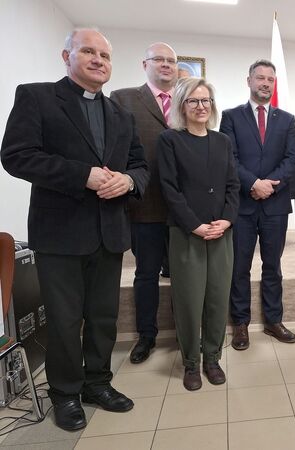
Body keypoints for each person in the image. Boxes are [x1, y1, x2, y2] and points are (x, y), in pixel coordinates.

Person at [0, 29, 148, 431]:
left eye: (105, 55)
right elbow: (16, 156)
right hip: (60, 233)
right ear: (67, 56)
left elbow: (140, 166)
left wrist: (129, 181)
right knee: (64, 321)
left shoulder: (120, 114)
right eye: (88, 51)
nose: (99, 60)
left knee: (103, 317)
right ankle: (65, 392)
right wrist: (82, 175)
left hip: (109, 231)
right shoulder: (37, 97)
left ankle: (97, 383)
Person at [157, 77, 239, 390]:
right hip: (187, 232)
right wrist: (194, 224)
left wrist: (226, 221)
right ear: (182, 105)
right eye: (193, 101)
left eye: (206, 100)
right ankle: (191, 362)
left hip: (221, 232)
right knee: (189, 300)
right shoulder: (170, 140)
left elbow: (233, 185)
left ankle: (212, 358)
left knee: (217, 297)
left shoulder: (222, 141)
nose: (201, 106)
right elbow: (169, 188)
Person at [220, 60, 295, 350]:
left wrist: (269, 185)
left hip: (275, 206)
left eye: (270, 79)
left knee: (273, 266)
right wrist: (253, 183)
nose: (265, 83)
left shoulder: (287, 119)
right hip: (242, 205)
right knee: (239, 267)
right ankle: (240, 324)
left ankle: (273, 321)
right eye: (260, 78)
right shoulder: (231, 117)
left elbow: (293, 158)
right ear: (249, 81)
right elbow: (229, 157)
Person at [110, 42, 178, 364]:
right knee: (147, 274)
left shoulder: (188, 98)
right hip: (145, 205)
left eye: (171, 61)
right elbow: (114, 149)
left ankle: (185, 331)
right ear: (145, 64)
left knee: (183, 275)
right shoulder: (123, 98)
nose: (165, 64)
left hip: (184, 208)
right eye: (158, 59)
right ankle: (146, 336)